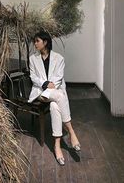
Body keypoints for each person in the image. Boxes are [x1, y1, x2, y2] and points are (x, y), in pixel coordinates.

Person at [28, 31, 81, 166]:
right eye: (35, 41)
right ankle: (71, 131)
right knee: (60, 96)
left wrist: (50, 86)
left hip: (54, 91)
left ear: (45, 42)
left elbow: (57, 79)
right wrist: (44, 84)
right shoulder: (33, 58)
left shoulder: (59, 58)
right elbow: (33, 77)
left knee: (54, 106)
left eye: (37, 41)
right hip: (40, 92)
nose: (35, 44)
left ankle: (57, 146)